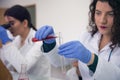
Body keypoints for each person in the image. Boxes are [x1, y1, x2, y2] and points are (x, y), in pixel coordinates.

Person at [34, 0, 120, 80]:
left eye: (111, 14)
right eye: (98, 13)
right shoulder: (86, 37)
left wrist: (91, 59)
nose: (102, 20)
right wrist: (49, 44)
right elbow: (59, 60)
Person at [0, 5, 51, 79]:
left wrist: (7, 43)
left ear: (24, 23)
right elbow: (7, 65)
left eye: (11, 23)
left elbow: (23, 68)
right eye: (7, 24)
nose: (8, 28)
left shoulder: (39, 40)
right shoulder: (16, 40)